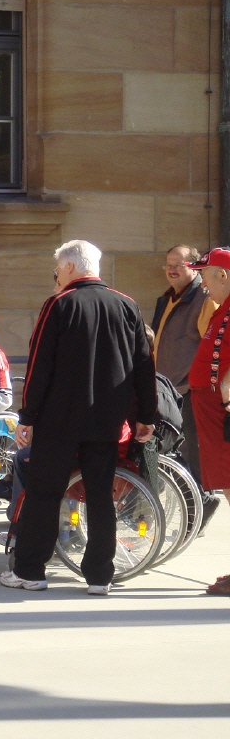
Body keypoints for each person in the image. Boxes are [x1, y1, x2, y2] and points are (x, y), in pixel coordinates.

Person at [2, 240, 156, 596]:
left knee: (44, 492)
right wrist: (147, 415)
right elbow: (144, 367)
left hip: (59, 420)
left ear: (70, 267)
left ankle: (30, 571)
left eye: (57, 268)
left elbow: (40, 364)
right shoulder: (128, 305)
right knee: (101, 496)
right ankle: (100, 576)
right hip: (107, 420)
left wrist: (27, 414)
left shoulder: (59, 304)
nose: (56, 275)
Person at [151, 244, 220, 528]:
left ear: (194, 266)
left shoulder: (204, 299)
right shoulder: (166, 298)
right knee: (167, 452)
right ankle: (192, 508)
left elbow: (213, 347)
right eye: (168, 263)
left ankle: (202, 505)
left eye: (178, 264)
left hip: (190, 391)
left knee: (193, 453)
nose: (172, 269)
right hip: (166, 391)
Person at [184, 248, 230, 595]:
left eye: (205, 274)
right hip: (212, 410)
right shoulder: (219, 308)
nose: (201, 281)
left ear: (223, 275)